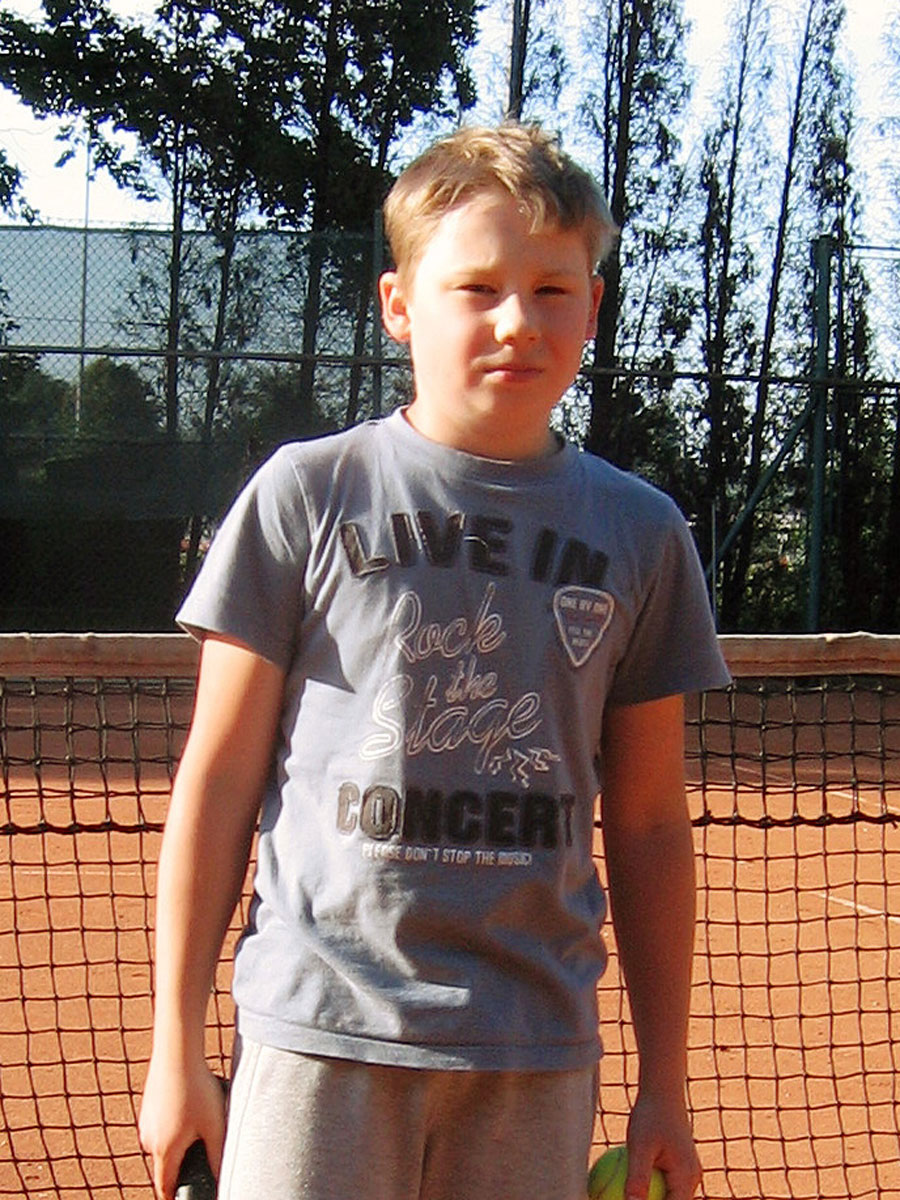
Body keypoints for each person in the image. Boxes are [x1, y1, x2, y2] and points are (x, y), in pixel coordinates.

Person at [139, 122, 730, 1200]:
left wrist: (666, 1086)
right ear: (400, 304)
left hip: (534, 1054)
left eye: (553, 290)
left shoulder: (642, 533)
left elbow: (648, 823)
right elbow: (217, 779)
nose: (518, 321)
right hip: (319, 1034)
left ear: (593, 308)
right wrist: (177, 1046)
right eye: (477, 288)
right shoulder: (307, 494)